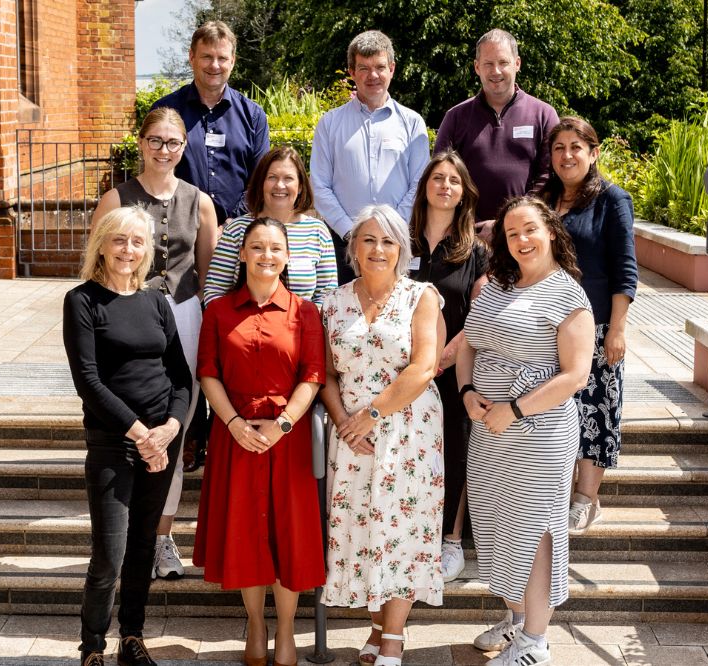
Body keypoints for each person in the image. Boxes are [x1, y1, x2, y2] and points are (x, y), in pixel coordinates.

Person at [457, 197, 594, 666]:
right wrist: (467, 392)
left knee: (535, 530)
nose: (521, 240)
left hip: (540, 432)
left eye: (530, 229)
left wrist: (514, 409)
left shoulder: (569, 296)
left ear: (551, 231)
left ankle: (536, 641)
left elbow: (575, 375)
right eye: (512, 233)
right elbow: (467, 345)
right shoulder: (496, 285)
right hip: (489, 429)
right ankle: (517, 618)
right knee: (498, 523)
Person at [92, 106, 218, 581]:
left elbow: (209, 279)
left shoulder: (200, 202)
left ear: (184, 148)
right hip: (127, 317)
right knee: (128, 425)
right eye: (156, 141)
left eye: (174, 143)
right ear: (140, 143)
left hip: (184, 318)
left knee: (175, 428)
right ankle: (123, 535)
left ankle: (161, 538)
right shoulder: (115, 198)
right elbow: (98, 269)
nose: (164, 150)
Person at [193, 217, 326, 666]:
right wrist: (232, 424)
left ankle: (287, 628)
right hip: (236, 436)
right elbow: (208, 372)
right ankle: (255, 623)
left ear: (287, 257)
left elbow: (312, 376)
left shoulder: (305, 313)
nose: (267, 256)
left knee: (289, 536)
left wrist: (283, 424)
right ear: (243, 254)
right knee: (247, 534)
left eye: (275, 248)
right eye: (257, 247)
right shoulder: (218, 311)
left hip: (287, 440)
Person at [63, 206, 192, 666]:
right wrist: (141, 435)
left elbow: (181, 377)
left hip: (162, 438)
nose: (128, 250)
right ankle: (92, 647)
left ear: (147, 251)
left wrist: (171, 428)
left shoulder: (158, 301)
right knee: (109, 556)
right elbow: (88, 381)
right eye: (119, 240)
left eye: (137, 242)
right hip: (114, 442)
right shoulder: (82, 300)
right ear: (102, 244)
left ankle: (132, 639)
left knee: (143, 547)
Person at [321, 204, 445, 666]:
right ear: (353, 246)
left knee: (404, 529)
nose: (378, 249)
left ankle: (393, 638)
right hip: (352, 434)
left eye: (388, 241)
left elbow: (424, 366)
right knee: (364, 529)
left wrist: (372, 414)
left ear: (402, 250)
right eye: (368, 239)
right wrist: (344, 423)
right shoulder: (333, 302)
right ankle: (376, 630)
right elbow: (328, 375)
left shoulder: (421, 296)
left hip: (408, 431)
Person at [538, 116, 638, 534]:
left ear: (593, 153)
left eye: (576, 147)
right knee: (559, 410)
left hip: (595, 327)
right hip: (548, 326)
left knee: (596, 410)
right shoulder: (543, 200)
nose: (567, 156)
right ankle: (558, 492)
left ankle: (586, 498)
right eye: (559, 148)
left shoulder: (612, 200)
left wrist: (617, 328)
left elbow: (625, 269)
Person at [407, 150, 488, 582]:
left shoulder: (476, 251)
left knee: (455, 450)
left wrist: (441, 358)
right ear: (424, 187)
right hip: (402, 372)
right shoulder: (401, 242)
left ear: (463, 193)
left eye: (453, 181)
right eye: (437, 178)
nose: (444, 186)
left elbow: (481, 313)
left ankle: (451, 539)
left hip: (452, 370)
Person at [310, 30, 430, 283]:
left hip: (396, 242)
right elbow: (319, 186)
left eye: (380, 67)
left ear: (392, 69)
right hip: (342, 246)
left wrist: (388, 231)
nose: (373, 75)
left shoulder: (412, 123)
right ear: (352, 72)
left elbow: (419, 184)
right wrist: (351, 233)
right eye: (363, 68)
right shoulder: (330, 124)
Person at [434, 29, 559, 228]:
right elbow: (440, 177)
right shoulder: (456, 117)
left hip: (525, 234)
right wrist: (473, 225)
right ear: (477, 67)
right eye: (488, 64)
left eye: (503, 63)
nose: (496, 71)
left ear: (517, 63)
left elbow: (548, 176)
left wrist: (510, 223)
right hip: (468, 235)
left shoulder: (544, 115)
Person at [151, 20, 270, 225]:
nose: (214, 65)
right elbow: (154, 173)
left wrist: (231, 223)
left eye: (222, 58)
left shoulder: (254, 116)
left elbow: (260, 181)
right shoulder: (165, 111)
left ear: (232, 61)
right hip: (178, 229)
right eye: (207, 56)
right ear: (192, 57)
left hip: (239, 234)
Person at [204, 145, 338, 306]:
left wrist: (305, 326)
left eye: (288, 178)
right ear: (261, 183)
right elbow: (215, 290)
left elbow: (327, 296)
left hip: (300, 328)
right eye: (272, 177)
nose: (280, 185)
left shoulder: (317, 232)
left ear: (301, 186)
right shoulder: (237, 229)